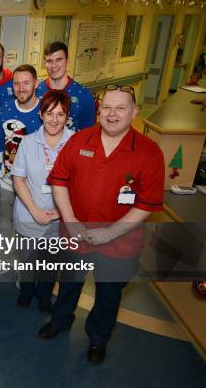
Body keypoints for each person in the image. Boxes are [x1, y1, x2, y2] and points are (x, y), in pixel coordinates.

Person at [38, 85, 164, 364]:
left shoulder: (149, 152)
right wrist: (70, 222)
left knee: (108, 295)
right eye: (106, 107)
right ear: (99, 109)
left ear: (134, 112)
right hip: (75, 234)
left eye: (120, 108)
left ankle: (98, 339)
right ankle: (60, 321)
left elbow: (146, 204)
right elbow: (59, 181)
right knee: (69, 283)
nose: (112, 114)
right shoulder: (80, 140)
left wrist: (110, 233)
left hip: (120, 242)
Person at [11, 90, 74, 312]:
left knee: (51, 263)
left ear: (67, 117)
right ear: (40, 114)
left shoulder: (76, 143)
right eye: (49, 113)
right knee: (28, 261)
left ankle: (45, 296)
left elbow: (79, 184)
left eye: (60, 114)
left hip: (60, 218)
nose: (54, 119)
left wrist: (60, 212)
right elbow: (18, 180)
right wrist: (35, 210)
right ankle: (26, 292)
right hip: (29, 213)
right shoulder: (27, 142)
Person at [0, 65, 43, 280]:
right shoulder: (4, 109)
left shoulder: (44, 112)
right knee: (4, 223)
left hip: (33, 185)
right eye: (17, 83)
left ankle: (26, 272)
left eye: (26, 83)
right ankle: (3, 261)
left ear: (36, 84)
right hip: (6, 180)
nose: (21, 88)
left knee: (28, 230)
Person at [36, 41, 96, 132]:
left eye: (59, 60)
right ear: (45, 63)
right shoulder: (36, 92)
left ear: (67, 61)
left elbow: (88, 134)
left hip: (73, 145)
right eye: (49, 61)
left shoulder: (84, 95)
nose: (54, 65)